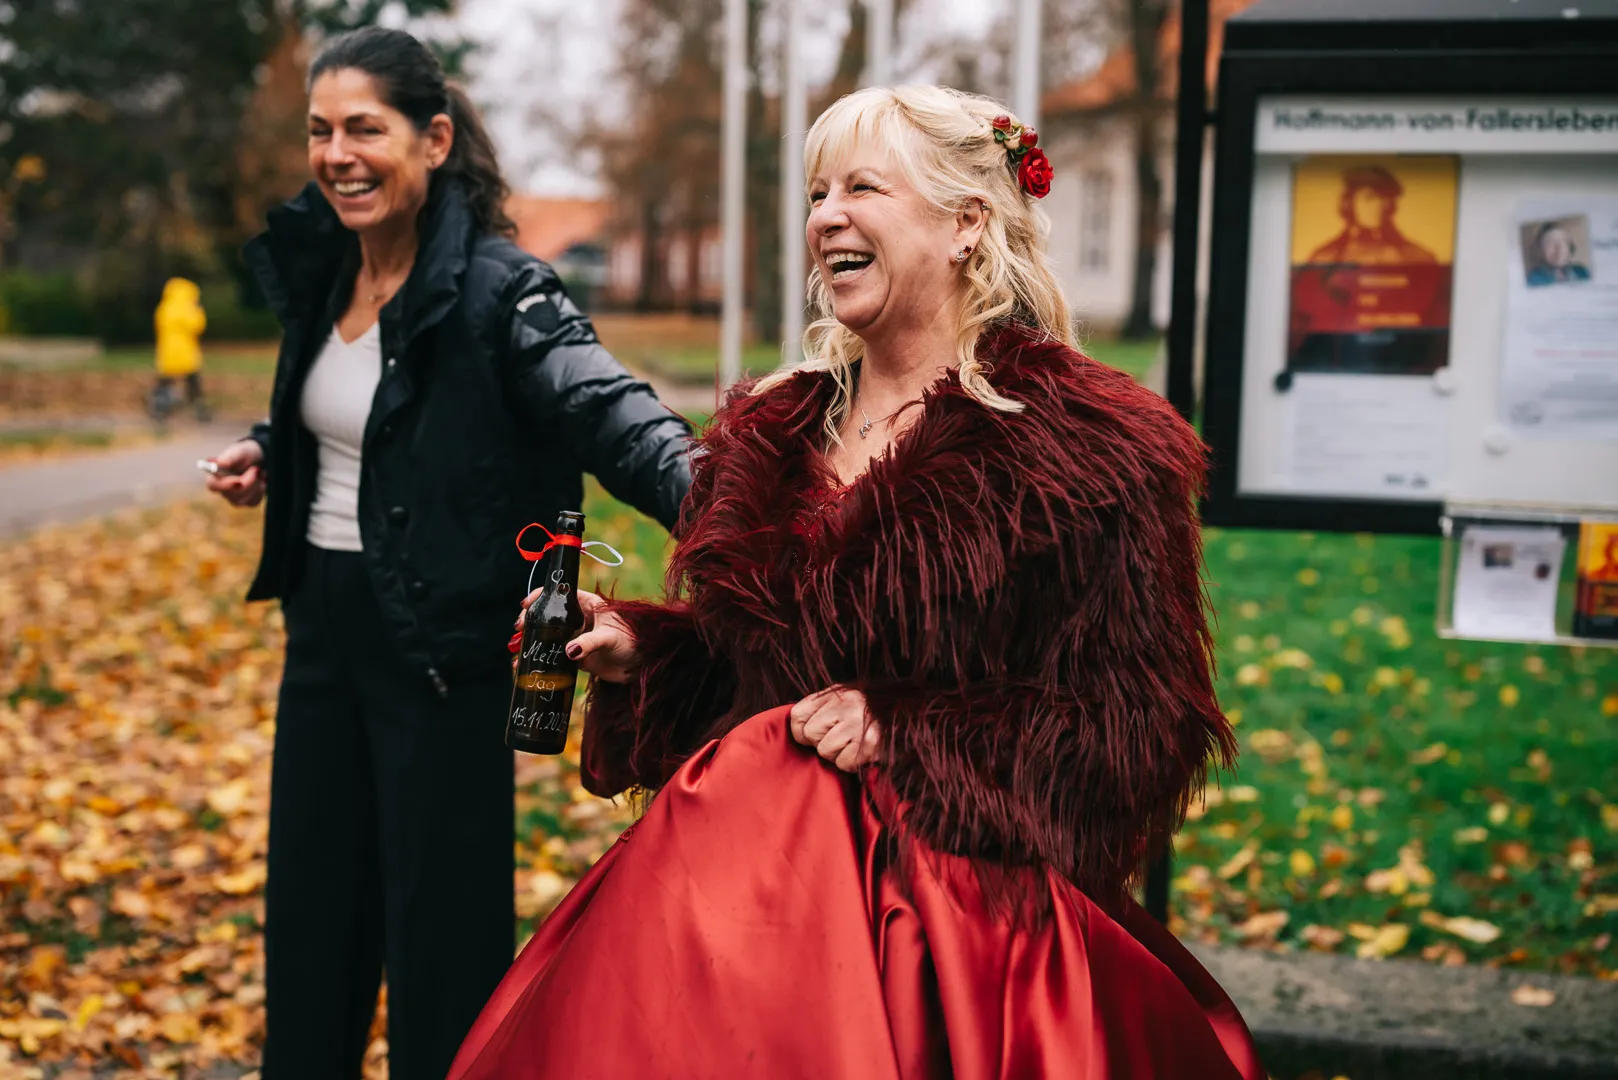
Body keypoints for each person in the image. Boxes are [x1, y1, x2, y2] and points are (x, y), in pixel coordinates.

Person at [449, 86, 1261, 1080]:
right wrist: (644, 651)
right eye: (816, 192)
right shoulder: (770, 431)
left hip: (953, 951)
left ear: (966, 223)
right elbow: (753, 685)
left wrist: (908, 727)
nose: (825, 215)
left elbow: (1140, 723)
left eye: (862, 187)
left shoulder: (1089, 447)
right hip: (741, 914)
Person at [202, 26, 691, 1080]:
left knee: (441, 958)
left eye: (364, 129)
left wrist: (733, 510)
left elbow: (609, 413)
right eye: (320, 131)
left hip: (441, 656)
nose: (337, 153)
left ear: (432, 139)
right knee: (312, 934)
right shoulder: (331, 269)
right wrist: (268, 449)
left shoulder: (500, 292)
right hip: (321, 639)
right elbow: (357, 420)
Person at [1306, 164, 1437, 266]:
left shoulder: (1418, 257)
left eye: (1385, 199)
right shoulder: (1324, 258)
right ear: (1349, 204)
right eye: (1369, 198)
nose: (1378, 207)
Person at [151, 277, 211, 421]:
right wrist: (198, 310)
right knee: (193, 381)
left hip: (167, 352)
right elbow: (198, 326)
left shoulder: (164, 308)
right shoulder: (188, 309)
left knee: (165, 381)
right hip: (186, 352)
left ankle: (160, 408)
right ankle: (199, 409)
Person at [1525, 221, 1591, 287]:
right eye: (1550, 243)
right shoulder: (1535, 279)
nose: (1559, 248)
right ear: (1541, 250)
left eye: (1563, 241)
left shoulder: (1581, 271)